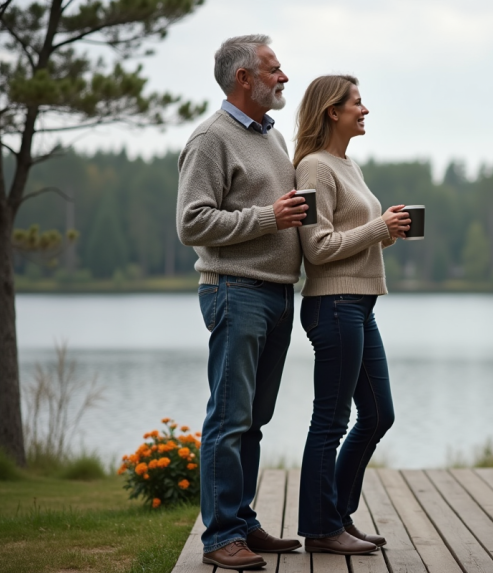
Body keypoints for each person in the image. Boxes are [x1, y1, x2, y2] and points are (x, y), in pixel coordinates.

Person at [176, 34, 309, 570]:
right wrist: (268, 218)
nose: (284, 77)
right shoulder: (212, 139)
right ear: (243, 79)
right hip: (234, 291)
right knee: (228, 420)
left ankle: (242, 521)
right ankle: (219, 537)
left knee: (254, 419)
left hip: (277, 294)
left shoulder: (272, 137)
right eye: (274, 69)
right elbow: (191, 222)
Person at [293, 75, 410, 555]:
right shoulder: (313, 169)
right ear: (331, 112)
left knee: (380, 414)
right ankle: (322, 528)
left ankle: (337, 515)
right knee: (331, 420)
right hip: (333, 304)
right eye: (357, 104)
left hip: (359, 305)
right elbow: (317, 249)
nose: (365, 111)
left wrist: (385, 231)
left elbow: (351, 235)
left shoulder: (348, 165)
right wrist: (377, 227)